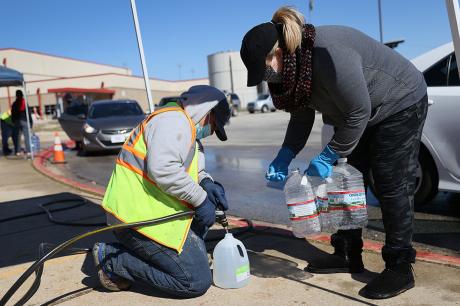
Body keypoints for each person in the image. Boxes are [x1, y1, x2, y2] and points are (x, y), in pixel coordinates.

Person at [240, 6, 427, 299]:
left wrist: (330, 154)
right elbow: (301, 117)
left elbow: (358, 110)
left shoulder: (327, 53)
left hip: (398, 102)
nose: (267, 79)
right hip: (359, 114)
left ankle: (399, 266)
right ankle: (347, 253)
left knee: (391, 183)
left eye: (264, 70)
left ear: (275, 55)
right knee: (345, 183)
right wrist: (286, 153)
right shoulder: (293, 73)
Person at [93, 85, 231, 297]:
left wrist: (207, 184)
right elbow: (163, 170)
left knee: (196, 249)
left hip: (158, 213)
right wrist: (201, 200)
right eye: (213, 124)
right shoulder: (172, 122)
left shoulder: (188, 130)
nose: (211, 131)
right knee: (194, 280)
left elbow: (195, 170)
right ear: (206, 111)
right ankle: (113, 259)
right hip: (135, 219)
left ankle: (173, 256)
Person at [11, 90, 33, 155]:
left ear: (16, 95)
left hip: (17, 122)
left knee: (18, 137)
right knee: (27, 137)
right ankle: (28, 151)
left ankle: (18, 151)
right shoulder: (25, 103)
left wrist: (13, 121)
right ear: (22, 95)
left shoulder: (14, 103)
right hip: (25, 121)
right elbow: (28, 113)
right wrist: (31, 122)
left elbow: (13, 114)